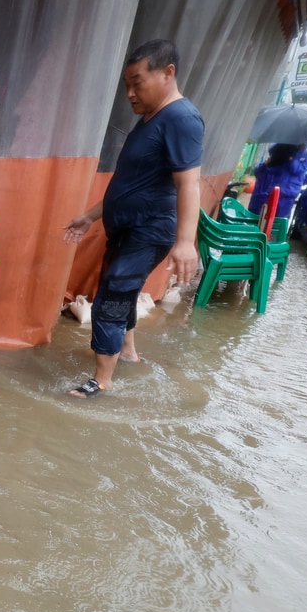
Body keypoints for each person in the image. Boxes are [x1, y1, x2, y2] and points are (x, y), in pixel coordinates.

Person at [62, 39, 204, 398]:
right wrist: (90, 217)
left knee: (113, 293)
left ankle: (102, 381)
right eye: (127, 84)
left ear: (167, 73)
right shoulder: (150, 121)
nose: (130, 92)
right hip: (127, 227)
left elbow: (189, 183)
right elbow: (130, 183)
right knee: (119, 288)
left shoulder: (181, 118)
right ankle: (127, 353)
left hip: (149, 228)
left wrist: (186, 242)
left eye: (137, 82)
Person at [248, 142, 307, 220]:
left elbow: (297, 169)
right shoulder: (280, 148)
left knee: (279, 221)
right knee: (261, 219)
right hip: (269, 193)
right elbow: (260, 172)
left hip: (287, 194)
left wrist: (291, 158)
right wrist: (267, 163)